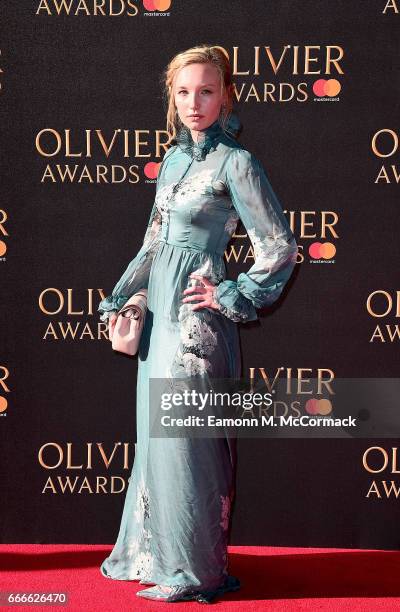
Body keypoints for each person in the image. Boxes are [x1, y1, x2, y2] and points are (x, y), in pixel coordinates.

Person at [98, 44, 298, 603]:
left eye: (206, 90)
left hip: (194, 324)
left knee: (186, 439)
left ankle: (193, 571)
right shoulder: (174, 159)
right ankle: (152, 554)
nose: (194, 102)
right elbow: (153, 242)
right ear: (172, 98)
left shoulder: (238, 162)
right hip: (158, 315)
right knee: (158, 440)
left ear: (225, 95)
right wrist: (121, 297)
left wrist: (229, 291)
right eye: (183, 92)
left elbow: (279, 248)